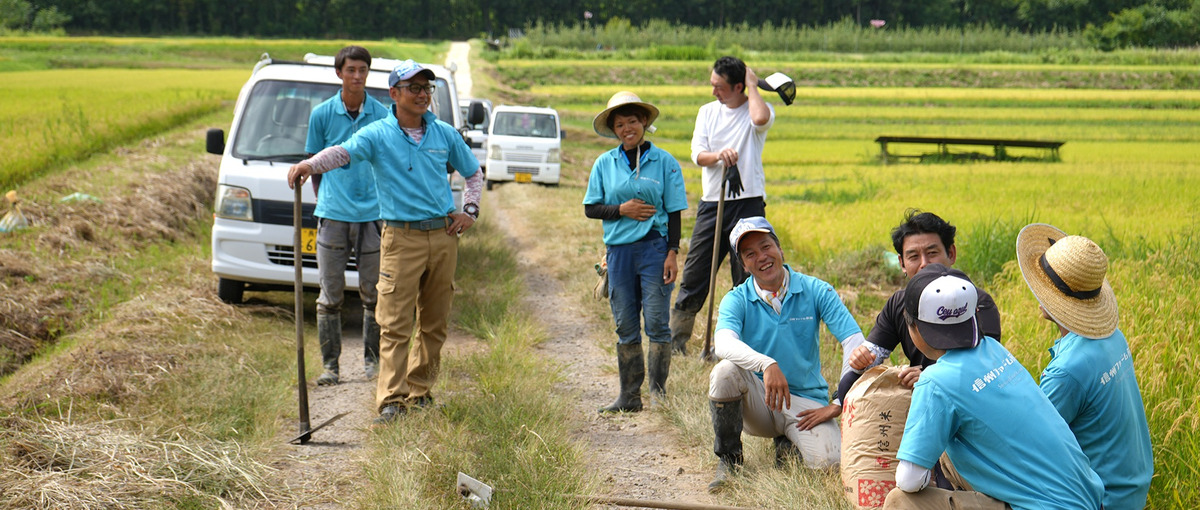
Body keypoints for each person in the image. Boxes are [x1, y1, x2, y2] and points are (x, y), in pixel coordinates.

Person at [287, 59, 482, 424]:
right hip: (400, 237)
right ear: (394, 94)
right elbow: (342, 152)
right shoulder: (377, 134)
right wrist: (309, 165)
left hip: (442, 236)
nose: (422, 95)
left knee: (435, 322)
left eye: (427, 89)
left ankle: (420, 392)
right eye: (414, 88)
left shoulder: (445, 134)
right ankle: (392, 399)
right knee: (394, 322)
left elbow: (474, 174)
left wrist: (469, 211)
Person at [883, 263, 1104, 510]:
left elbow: (909, 480)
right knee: (951, 447)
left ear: (915, 328)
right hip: (1091, 499)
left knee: (899, 502)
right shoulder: (993, 349)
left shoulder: (935, 382)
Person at [707, 217, 866, 492]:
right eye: (750, 254)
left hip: (805, 403)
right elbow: (722, 342)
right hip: (760, 400)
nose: (762, 257)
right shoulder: (737, 298)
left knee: (830, 465)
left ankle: (787, 444)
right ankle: (730, 460)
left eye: (766, 246)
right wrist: (765, 364)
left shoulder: (817, 290)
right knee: (724, 372)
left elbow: (855, 343)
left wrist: (840, 400)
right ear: (743, 265)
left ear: (779, 249)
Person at [1015, 223, 1153, 509]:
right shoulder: (1112, 336)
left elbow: (1029, 445)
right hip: (1133, 488)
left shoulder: (1066, 371)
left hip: (1104, 499)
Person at [842, 211, 1002, 431]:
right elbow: (872, 354)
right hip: (921, 401)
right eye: (913, 256)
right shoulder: (898, 303)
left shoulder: (978, 303)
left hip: (966, 405)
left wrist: (932, 378)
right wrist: (861, 362)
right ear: (902, 263)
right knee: (853, 391)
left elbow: (985, 372)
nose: (924, 264)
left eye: (932, 253)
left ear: (951, 254)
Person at [584, 91, 688, 413]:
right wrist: (622, 209)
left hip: (655, 250)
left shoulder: (665, 162)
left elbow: (674, 212)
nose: (627, 128)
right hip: (618, 253)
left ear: (644, 122)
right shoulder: (605, 163)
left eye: (633, 121)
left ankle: (658, 393)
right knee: (625, 324)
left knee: (657, 322)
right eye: (620, 124)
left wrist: (672, 252)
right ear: (614, 130)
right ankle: (629, 396)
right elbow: (591, 208)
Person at [670, 56, 775, 356]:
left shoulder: (758, 109)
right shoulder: (706, 112)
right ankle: (676, 341)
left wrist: (754, 87)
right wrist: (718, 155)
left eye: (720, 86)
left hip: (749, 203)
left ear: (739, 86)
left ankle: (740, 344)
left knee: (748, 275)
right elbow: (697, 154)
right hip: (713, 202)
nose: (713, 91)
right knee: (696, 271)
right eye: (712, 84)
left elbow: (759, 120)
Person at [305, 45, 390, 386]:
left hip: (372, 216)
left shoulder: (384, 115)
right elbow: (313, 164)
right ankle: (331, 367)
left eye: (362, 70)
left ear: (368, 73)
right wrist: (326, 199)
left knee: (373, 293)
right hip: (333, 216)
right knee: (330, 296)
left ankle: (372, 364)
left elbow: (387, 163)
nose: (357, 76)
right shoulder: (322, 115)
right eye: (351, 69)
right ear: (339, 73)